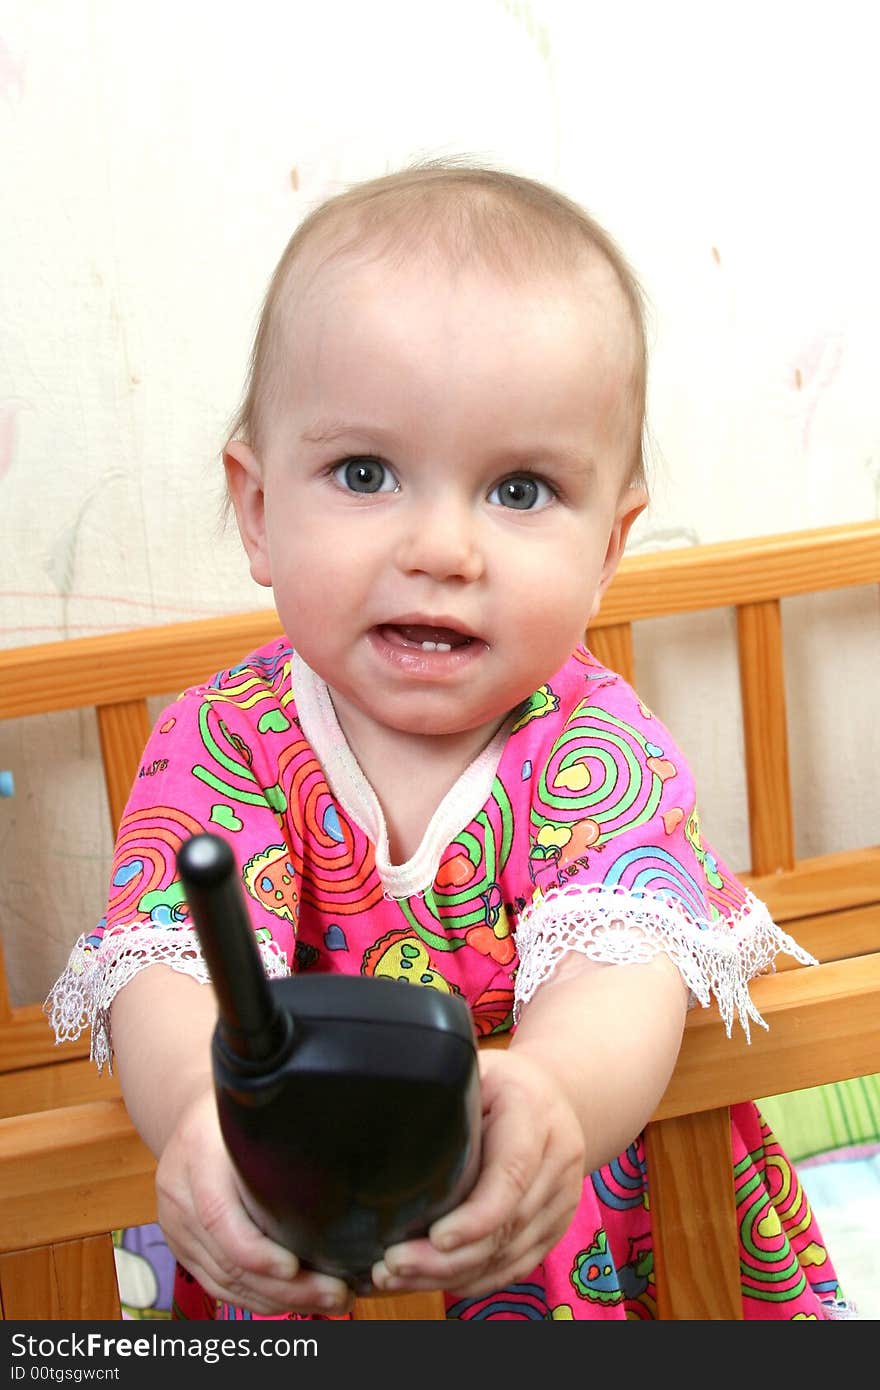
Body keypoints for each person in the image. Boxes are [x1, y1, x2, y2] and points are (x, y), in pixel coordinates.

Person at [47, 161, 853, 1321]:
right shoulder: (219, 739)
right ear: (260, 509)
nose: (443, 547)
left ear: (610, 548)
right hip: (296, 1209)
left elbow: (621, 966)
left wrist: (554, 1093)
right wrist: (198, 1120)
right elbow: (171, 968)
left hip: (573, 1234)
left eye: (519, 490)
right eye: (365, 473)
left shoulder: (596, 742)